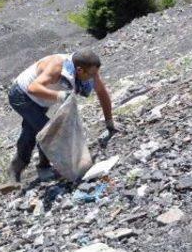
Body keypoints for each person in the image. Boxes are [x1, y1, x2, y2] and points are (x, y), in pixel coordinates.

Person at [7, 49, 119, 182]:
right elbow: (33, 88)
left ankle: (15, 169)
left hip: (42, 100)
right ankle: (43, 167)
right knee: (49, 130)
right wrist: (60, 96)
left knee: (31, 131)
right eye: (91, 74)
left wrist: (109, 122)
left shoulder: (89, 69)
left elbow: (102, 92)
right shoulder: (57, 67)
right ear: (79, 70)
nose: (94, 77)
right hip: (21, 95)